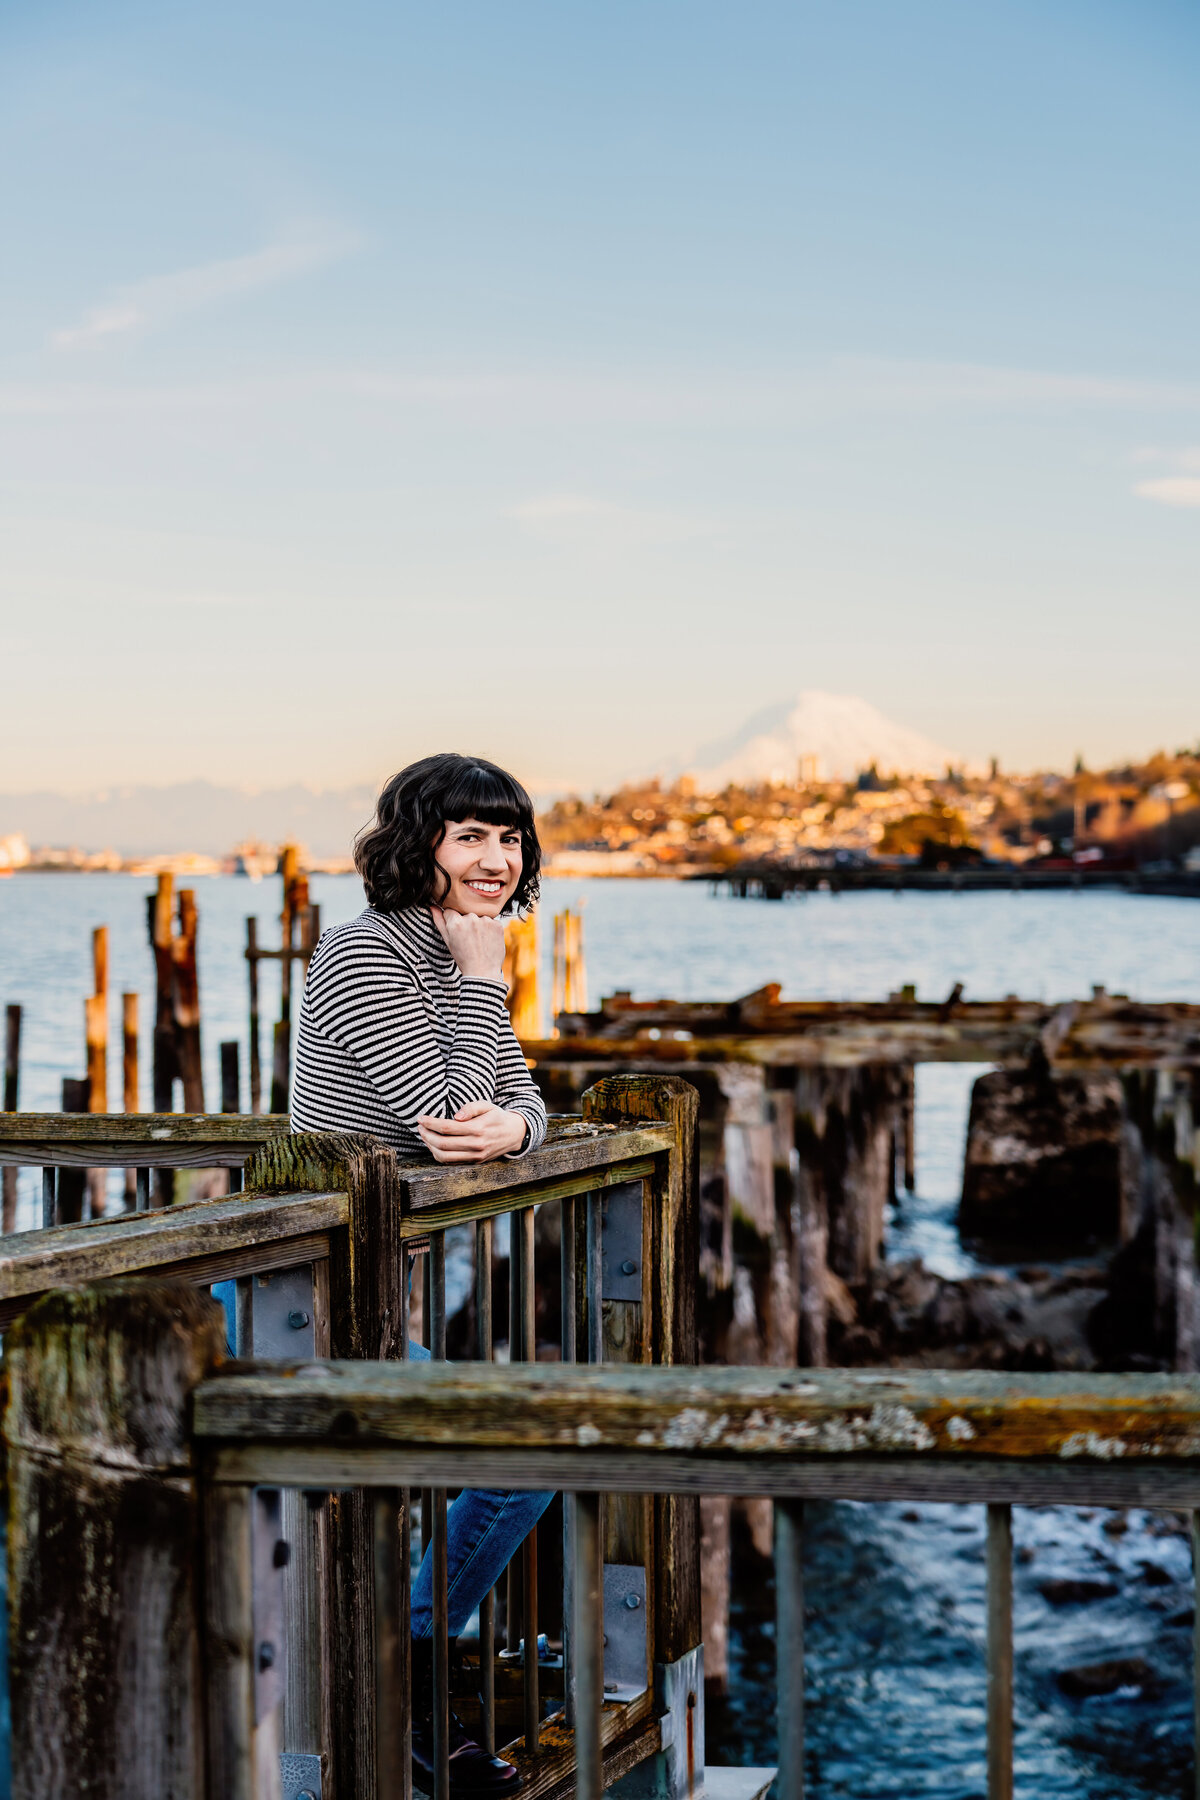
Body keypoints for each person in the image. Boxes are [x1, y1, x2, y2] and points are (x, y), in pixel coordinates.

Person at [292, 753, 554, 1795]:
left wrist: (522, 1124)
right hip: (302, 1292)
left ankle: (398, 1669)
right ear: (419, 846)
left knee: (506, 1459)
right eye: (470, 836)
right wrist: (486, 987)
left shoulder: (452, 953)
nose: (497, 859)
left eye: (510, 837)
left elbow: (517, 1100)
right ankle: (389, 1684)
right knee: (497, 1457)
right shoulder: (365, 954)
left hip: (367, 1284)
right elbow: (451, 1117)